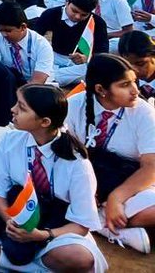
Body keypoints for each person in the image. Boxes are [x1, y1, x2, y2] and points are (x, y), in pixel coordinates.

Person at [0, 83, 108, 272]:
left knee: (79, 257)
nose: (13, 110)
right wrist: (10, 222)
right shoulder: (9, 141)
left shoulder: (77, 163)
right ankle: (32, 268)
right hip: (13, 223)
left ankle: (5, 263)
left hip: (56, 231)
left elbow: (81, 225)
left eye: (21, 108)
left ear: (45, 122)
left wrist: (42, 235)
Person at [65, 54, 155, 254]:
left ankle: (98, 223)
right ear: (100, 90)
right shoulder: (74, 105)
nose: (135, 91)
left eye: (134, 82)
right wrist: (86, 189)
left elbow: (151, 167)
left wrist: (116, 198)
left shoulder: (144, 113)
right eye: (124, 85)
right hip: (82, 184)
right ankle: (111, 227)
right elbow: (61, 153)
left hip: (130, 184)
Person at [32, 0, 109, 86]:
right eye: (74, 11)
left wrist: (87, 58)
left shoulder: (97, 23)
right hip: (53, 57)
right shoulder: (50, 14)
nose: (77, 17)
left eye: (83, 15)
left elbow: (103, 54)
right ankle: (52, 78)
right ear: (67, 2)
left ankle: (51, 78)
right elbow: (35, 41)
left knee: (97, 71)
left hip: (79, 64)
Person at [0, 1, 55, 85]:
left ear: (23, 27)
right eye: (0, 30)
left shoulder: (41, 45)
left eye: (8, 30)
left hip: (35, 87)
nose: (3, 34)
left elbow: (37, 82)